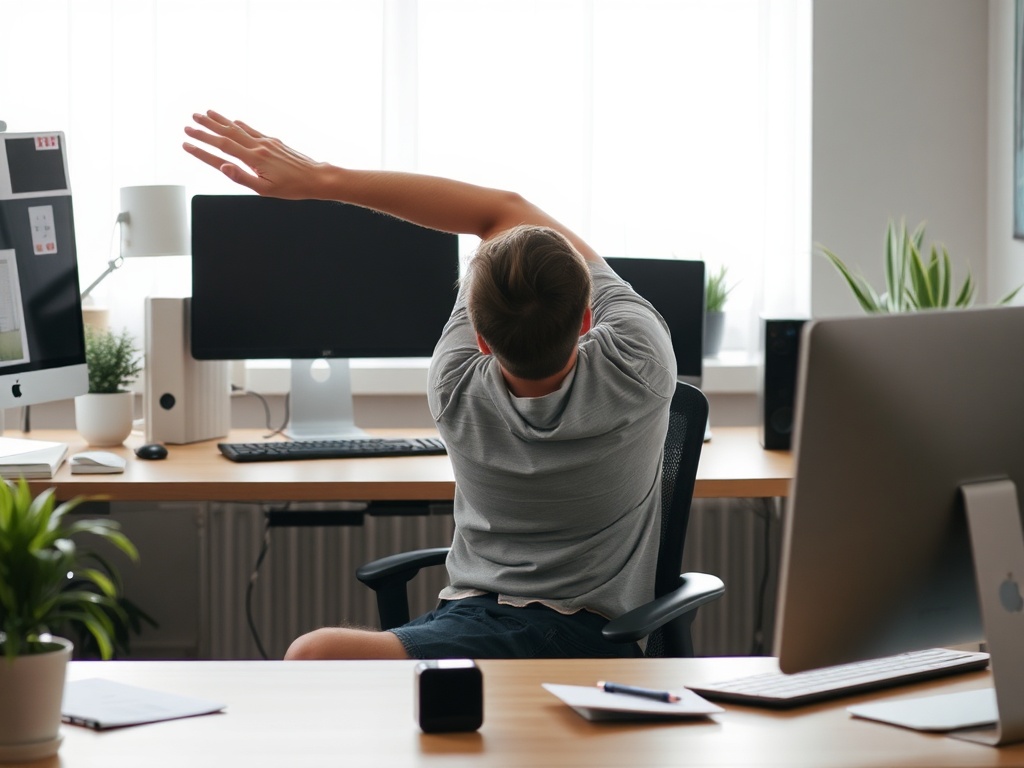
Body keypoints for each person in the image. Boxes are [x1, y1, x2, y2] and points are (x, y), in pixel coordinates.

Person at [183, 110, 678, 660]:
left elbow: (494, 220)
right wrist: (323, 178)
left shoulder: (454, 384)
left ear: (481, 337)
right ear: (586, 320)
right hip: (590, 636)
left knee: (311, 654)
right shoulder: (640, 363)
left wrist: (319, 181)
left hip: (489, 624)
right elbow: (502, 212)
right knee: (321, 656)